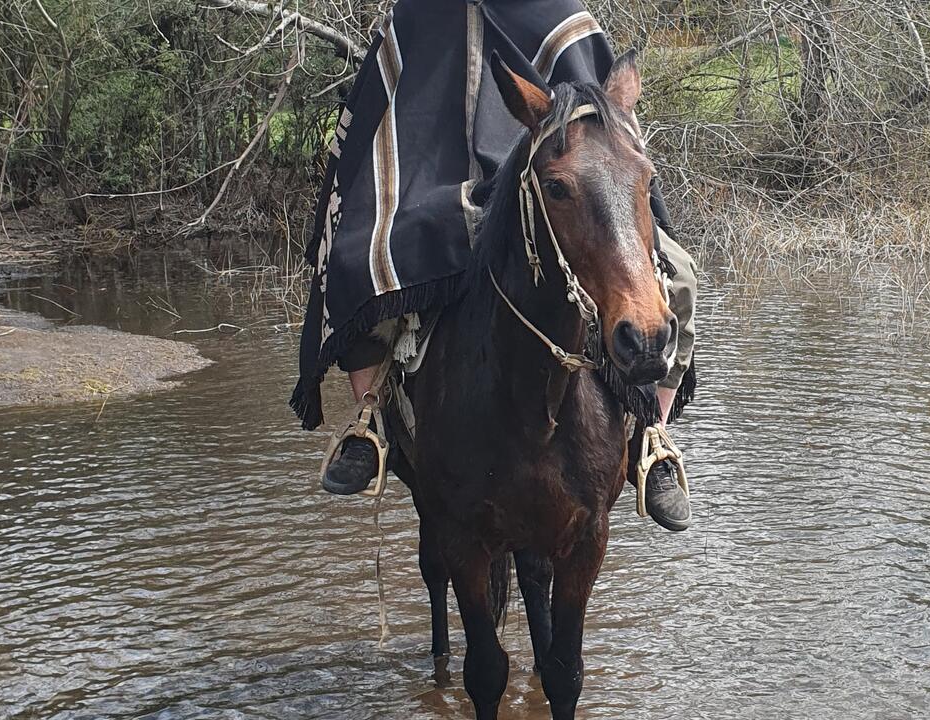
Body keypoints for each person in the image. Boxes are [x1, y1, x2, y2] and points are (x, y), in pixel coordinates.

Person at [291, 0, 697, 531]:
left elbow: (608, 126)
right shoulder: (418, 14)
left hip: (553, 189)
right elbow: (387, 125)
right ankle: (370, 415)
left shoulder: (557, 11)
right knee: (360, 257)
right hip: (436, 188)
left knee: (680, 275)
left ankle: (652, 433)